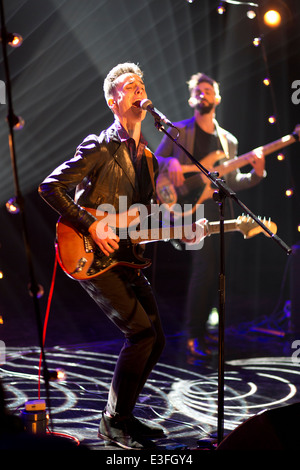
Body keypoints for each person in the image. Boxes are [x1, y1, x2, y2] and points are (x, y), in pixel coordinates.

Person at [38, 63, 169, 450]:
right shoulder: (100, 146)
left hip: (125, 255)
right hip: (90, 252)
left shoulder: (149, 159)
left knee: (156, 339)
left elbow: (145, 219)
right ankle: (113, 423)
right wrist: (91, 224)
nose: (139, 92)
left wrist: (183, 232)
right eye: (130, 87)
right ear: (114, 101)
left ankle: (121, 417)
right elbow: (51, 187)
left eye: (141, 85)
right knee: (141, 334)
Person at [155, 72, 266, 358]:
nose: (203, 94)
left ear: (217, 97)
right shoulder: (178, 131)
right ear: (192, 98)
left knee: (218, 273)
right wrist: (170, 162)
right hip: (188, 210)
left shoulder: (228, 141)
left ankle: (205, 333)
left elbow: (233, 180)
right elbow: (153, 161)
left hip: (219, 210)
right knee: (204, 271)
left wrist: (257, 171)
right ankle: (194, 336)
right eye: (198, 90)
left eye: (208, 90)